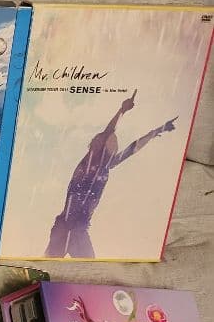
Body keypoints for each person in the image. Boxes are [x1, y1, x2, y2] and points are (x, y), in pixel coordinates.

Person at [45, 90, 177, 258]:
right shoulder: (88, 161)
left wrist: (155, 131)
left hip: (79, 230)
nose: (114, 143)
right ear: (99, 146)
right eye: (110, 142)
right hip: (65, 227)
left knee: (89, 266)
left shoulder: (106, 167)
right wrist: (121, 111)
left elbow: (132, 149)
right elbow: (108, 131)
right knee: (49, 262)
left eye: (115, 144)